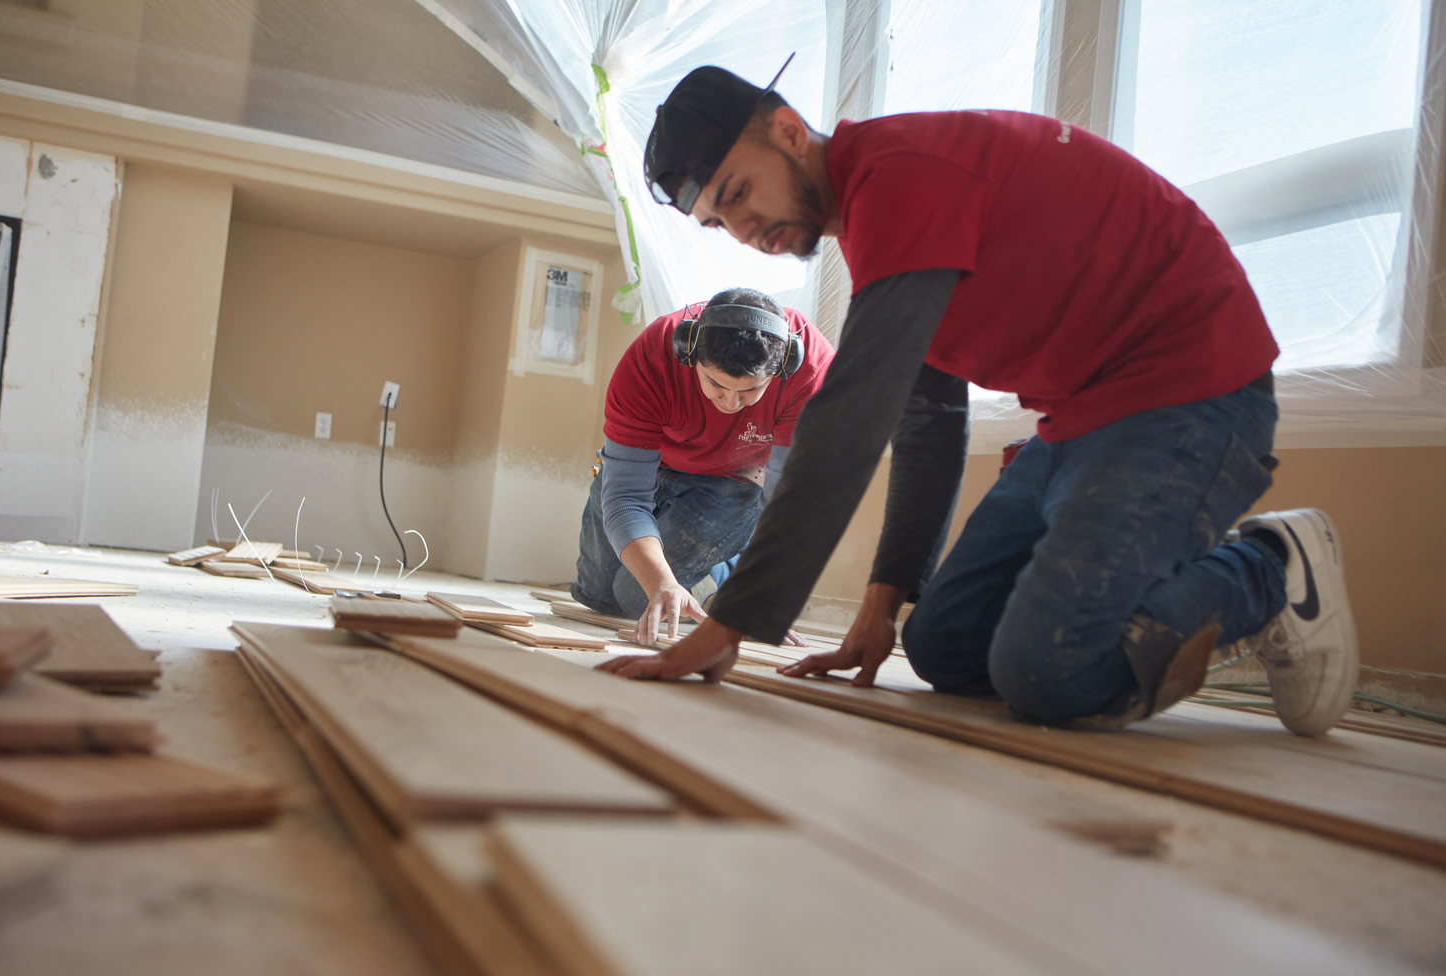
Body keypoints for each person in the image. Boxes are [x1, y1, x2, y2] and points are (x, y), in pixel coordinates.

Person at [598, 64, 1361, 736]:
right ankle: (1138, 597)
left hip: (1190, 397)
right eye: (717, 221)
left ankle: (1270, 566)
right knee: (946, 645)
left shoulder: (902, 175)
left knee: (1048, 671)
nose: (741, 228)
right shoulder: (880, 224)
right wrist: (882, 604)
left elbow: (850, 420)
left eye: (738, 192)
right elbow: (927, 419)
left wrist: (731, 624)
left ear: (790, 131)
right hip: (1081, 421)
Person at [571, 287, 835, 646]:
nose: (729, 402)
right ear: (688, 351)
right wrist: (662, 583)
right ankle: (686, 583)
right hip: (650, 463)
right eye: (715, 383)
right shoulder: (650, 358)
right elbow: (627, 498)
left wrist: (757, 596)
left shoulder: (812, 374)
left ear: (783, 366)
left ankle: (724, 579)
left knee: (634, 597)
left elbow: (789, 506)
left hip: (732, 480)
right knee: (598, 597)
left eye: (750, 390)